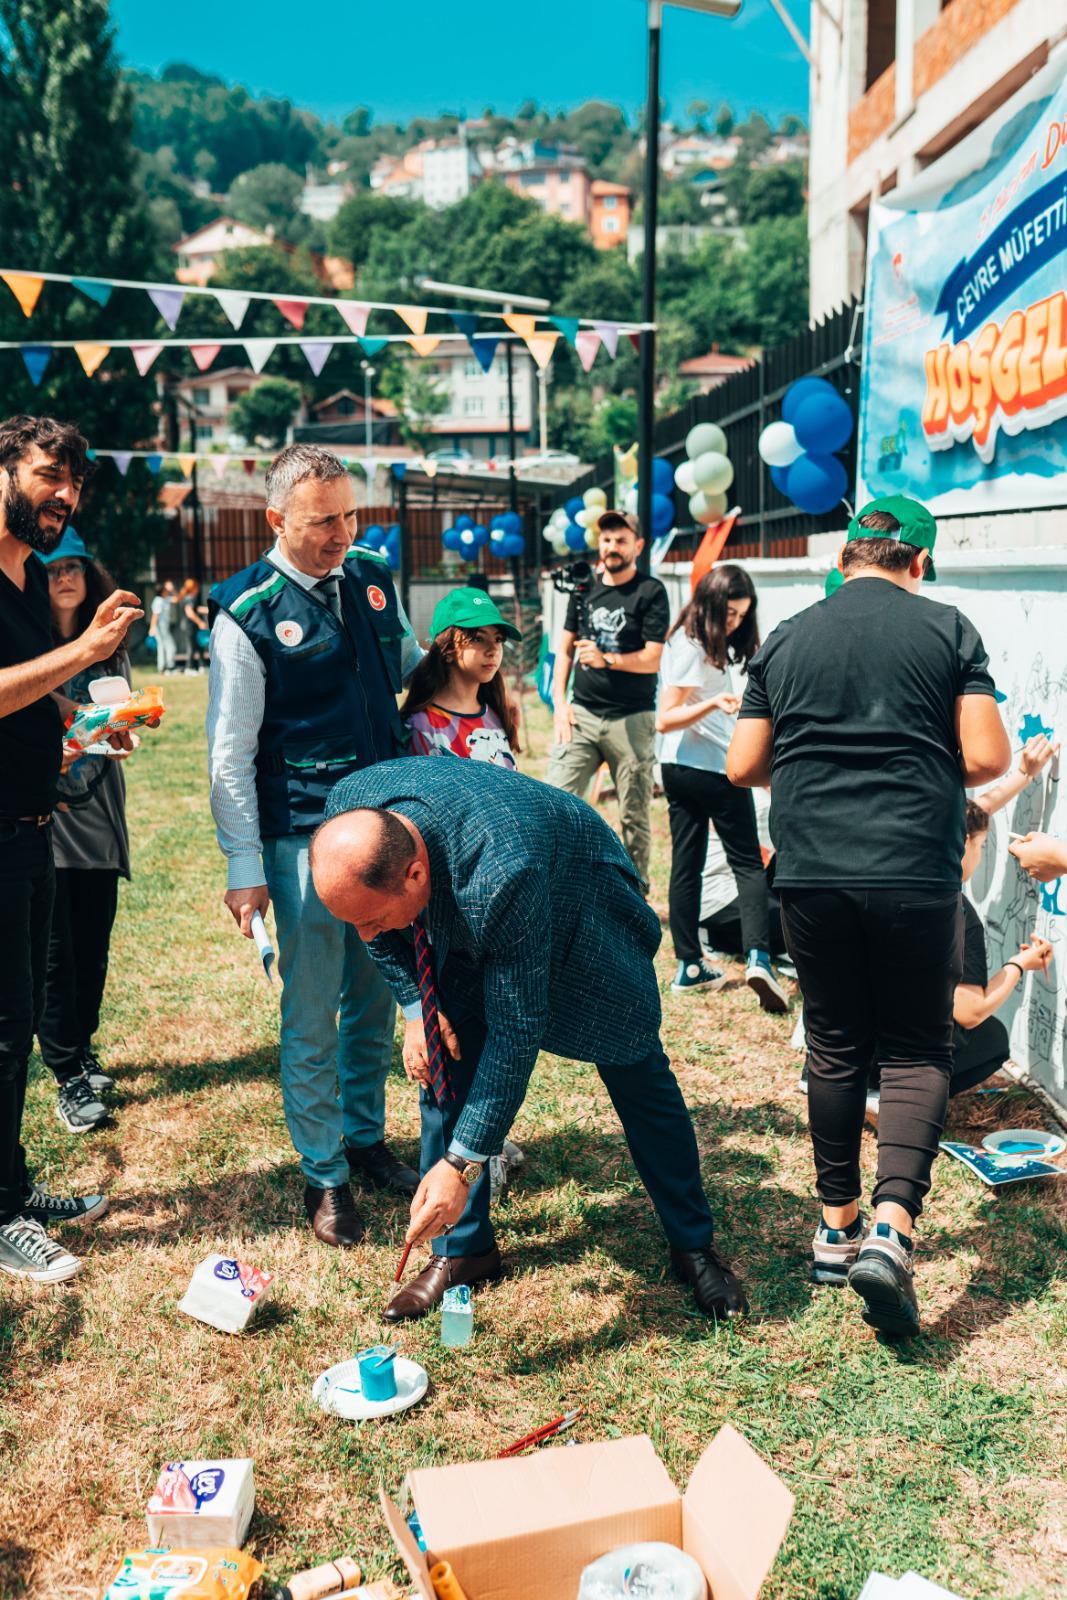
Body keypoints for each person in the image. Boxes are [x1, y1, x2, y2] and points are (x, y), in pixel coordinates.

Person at [310, 757, 749, 1325]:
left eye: (372, 920)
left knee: (637, 1067)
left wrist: (460, 1164)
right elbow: (376, 931)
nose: (365, 936)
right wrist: (418, 1006)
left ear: (415, 875)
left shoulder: (502, 873)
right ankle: (465, 1251)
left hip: (579, 908)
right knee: (445, 1055)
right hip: (467, 907)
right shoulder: (352, 815)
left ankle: (694, 1244)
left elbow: (518, 1032)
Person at [727, 494, 1010, 1337]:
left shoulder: (784, 636)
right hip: (912, 867)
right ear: (916, 562)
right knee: (919, 1045)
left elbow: (744, 762)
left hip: (810, 867)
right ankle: (891, 1230)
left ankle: (834, 1229)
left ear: (845, 557)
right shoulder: (948, 629)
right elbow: (988, 755)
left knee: (835, 1043)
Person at [207, 443, 423, 1249]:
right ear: (275, 521)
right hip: (299, 839)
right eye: (322, 521)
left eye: (348, 514)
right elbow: (229, 752)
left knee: (375, 994)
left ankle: (365, 1138)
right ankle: (323, 1175)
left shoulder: (370, 574)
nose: (342, 533)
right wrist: (245, 867)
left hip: (386, 826)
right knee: (311, 1014)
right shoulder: (246, 610)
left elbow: (401, 667)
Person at [0, 413, 142, 1284]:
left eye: (76, 484)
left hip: (33, 825)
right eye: (51, 474)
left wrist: (86, 718)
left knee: (13, 1030)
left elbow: (30, 698)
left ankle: (9, 1186)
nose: (65, 496)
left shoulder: (19, 582)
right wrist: (85, 651)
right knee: (2, 1029)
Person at [656, 564, 787, 1009]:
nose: (733, 624)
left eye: (740, 616)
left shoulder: (689, 639)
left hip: (677, 767)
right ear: (711, 602)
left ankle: (689, 966)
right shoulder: (693, 645)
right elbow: (665, 717)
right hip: (710, 767)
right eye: (729, 614)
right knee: (748, 863)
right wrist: (714, 702)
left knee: (686, 864)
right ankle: (759, 957)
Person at [38, 528, 133, 1134]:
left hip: (98, 814)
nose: (64, 577)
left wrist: (124, 722)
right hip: (46, 818)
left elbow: (119, 719)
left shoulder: (107, 648)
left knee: (93, 944)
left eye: (73, 566)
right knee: (55, 952)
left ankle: (82, 1047)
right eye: (50, 569)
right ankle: (66, 1070)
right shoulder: (24, 646)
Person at [546, 510, 669, 885]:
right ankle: (556, 883)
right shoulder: (584, 588)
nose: (612, 547)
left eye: (620, 540)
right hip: (581, 714)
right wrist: (559, 703)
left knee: (633, 813)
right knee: (554, 798)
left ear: (638, 545)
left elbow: (652, 658)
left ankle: (635, 892)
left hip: (631, 719)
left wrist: (607, 659)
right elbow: (563, 649)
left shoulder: (650, 592)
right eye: (606, 540)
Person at [401, 588, 521, 768]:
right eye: (478, 639)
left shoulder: (498, 714)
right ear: (447, 649)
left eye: (498, 639)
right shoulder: (422, 726)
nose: (493, 650)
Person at [148, 579, 178, 674]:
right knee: (170, 646)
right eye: (166, 590)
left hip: (164, 627)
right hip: (160, 628)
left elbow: (177, 599)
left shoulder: (166, 599)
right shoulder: (158, 600)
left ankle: (163, 668)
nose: (168, 591)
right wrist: (152, 627)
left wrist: (172, 590)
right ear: (162, 591)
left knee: (163, 647)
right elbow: (155, 615)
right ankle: (169, 667)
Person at [178, 578, 207, 673]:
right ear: (193, 588)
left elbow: (196, 609)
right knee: (191, 646)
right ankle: (189, 668)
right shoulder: (189, 598)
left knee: (198, 645)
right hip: (189, 626)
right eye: (197, 587)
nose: (198, 590)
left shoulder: (186, 598)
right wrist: (200, 622)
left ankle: (202, 666)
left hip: (188, 626)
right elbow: (190, 613)